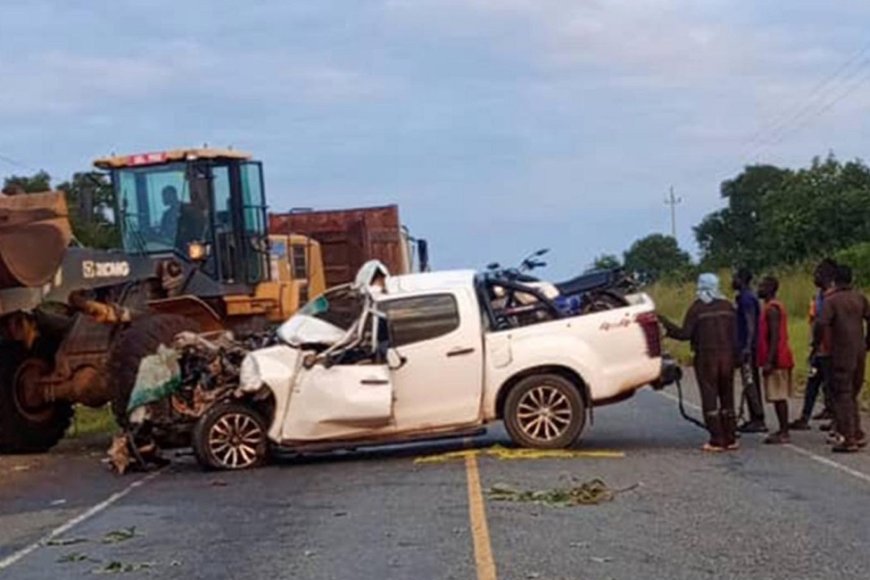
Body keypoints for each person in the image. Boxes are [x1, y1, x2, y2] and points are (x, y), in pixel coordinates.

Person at [661, 273, 739, 452]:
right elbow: (736, 334)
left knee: (709, 396)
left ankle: (716, 440)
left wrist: (664, 324)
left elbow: (685, 334)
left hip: (706, 357)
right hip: (728, 356)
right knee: (727, 396)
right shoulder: (728, 306)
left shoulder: (697, 308)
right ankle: (731, 437)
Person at [814, 264, 870, 453]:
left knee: (842, 394)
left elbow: (821, 323)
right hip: (860, 351)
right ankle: (857, 432)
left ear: (834, 281)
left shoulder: (832, 301)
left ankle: (848, 438)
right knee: (852, 393)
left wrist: (816, 344)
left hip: (841, 352)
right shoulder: (860, 299)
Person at [789, 258, 838, 431]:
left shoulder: (833, 297)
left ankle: (836, 420)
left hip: (829, 348)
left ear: (828, 276)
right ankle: (805, 417)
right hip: (819, 348)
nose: (814, 276)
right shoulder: (819, 296)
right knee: (812, 384)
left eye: (818, 273)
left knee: (832, 386)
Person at [757, 276, 795, 444]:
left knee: (779, 395)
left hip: (777, 358)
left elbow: (774, 337)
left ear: (770, 289)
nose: (759, 289)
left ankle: (784, 431)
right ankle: (782, 429)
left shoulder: (772, 309)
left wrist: (770, 361)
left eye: (762, 286)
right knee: (777, 395)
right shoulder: (769, 307)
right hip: (778, 356)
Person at [733, 268, 767, 433]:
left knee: (750, 381)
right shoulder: (745, 297)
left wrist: (746, 347)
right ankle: (755, 416)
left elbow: (750, 323)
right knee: (749, 381)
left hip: (748, 348)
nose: (732, 281)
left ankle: (758, 417)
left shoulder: (746, 298)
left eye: (735, 277)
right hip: (749, 346)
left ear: (741, 279)